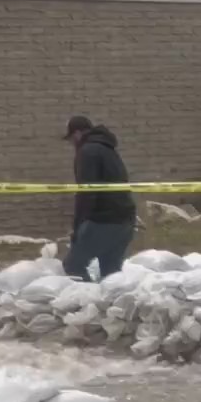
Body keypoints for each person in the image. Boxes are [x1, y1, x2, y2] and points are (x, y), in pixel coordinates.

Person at [62, 114, 136, 281]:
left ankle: (87, 296)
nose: (72, 143)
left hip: (103, 221)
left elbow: (87, 192)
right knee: (111, 273)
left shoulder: (87, 151)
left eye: (71, 139)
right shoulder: (108, 149)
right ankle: (113, 297)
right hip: (125, 221)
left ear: (77, 133)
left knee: (73, 266)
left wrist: (78, 228)